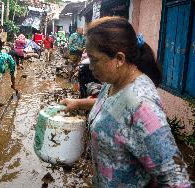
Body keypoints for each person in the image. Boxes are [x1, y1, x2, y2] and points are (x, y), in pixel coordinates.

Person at [61, 17, 191, 187]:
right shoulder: (113, 82)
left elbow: (176, 179)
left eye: (94, 59)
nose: (90, 66)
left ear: (119, 59)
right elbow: (113, 106)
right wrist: (77, 103)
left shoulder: (143, 107)